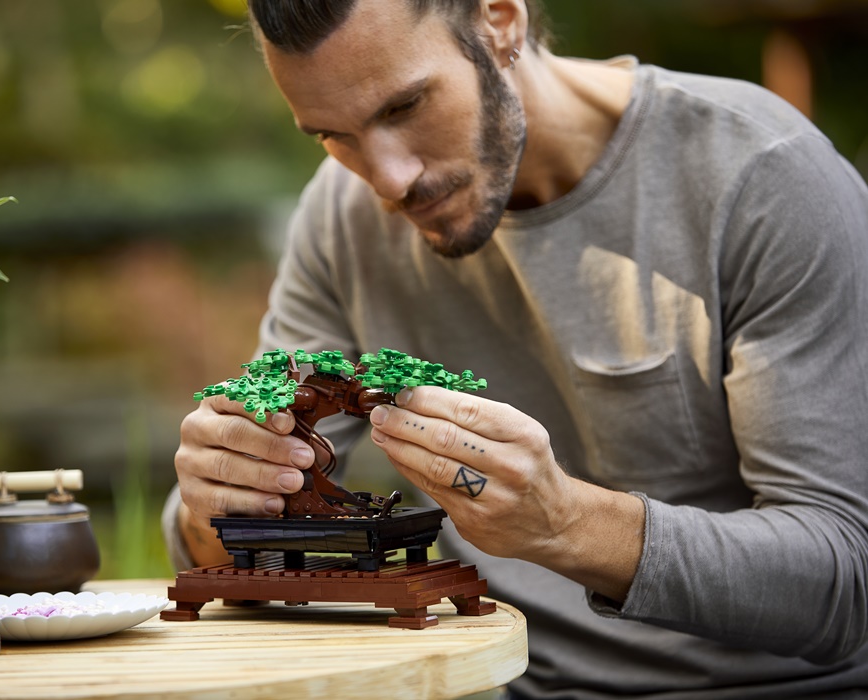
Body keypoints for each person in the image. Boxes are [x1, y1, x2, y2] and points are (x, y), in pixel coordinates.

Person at [163, 1, 868, 697]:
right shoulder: (341, 219)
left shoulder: (760, 179)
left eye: (404, 108)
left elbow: (848, 581)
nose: (387, 181)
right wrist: (215, 505)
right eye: (331, 135)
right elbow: (219, 554)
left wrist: (568, 524)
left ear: (501, 21)